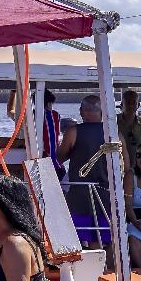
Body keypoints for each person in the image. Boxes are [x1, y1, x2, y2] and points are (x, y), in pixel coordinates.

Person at [58, 95, 114, 258]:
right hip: (105, 192)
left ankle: (81, 268)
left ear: (82, 111)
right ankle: (101, 268)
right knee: (100, 238)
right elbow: (125, 161)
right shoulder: (113, 132)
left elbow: (60, 157)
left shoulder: (72, 132)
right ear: (102, 111)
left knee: (75, 238)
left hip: (80, 193)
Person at [118, 90, 141, 157]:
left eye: (134, 103)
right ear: (122, 105)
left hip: (138, 162)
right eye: (128, 103)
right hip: (118, 163)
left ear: (138, 105)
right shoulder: (113, 123)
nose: (131, 106)